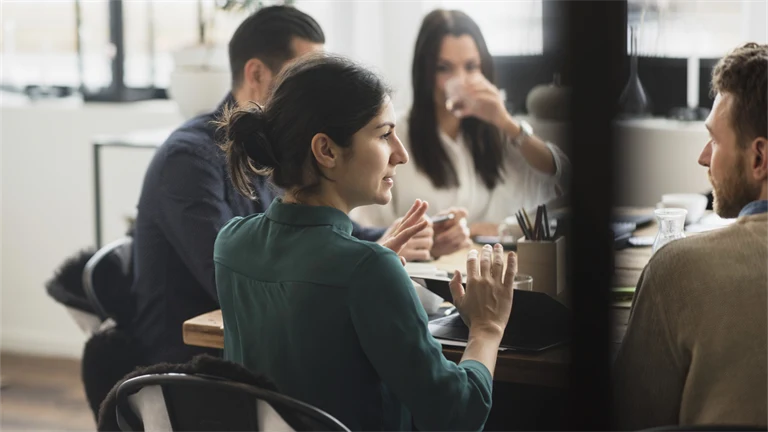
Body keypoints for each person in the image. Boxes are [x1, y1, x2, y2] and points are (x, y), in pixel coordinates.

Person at [214, 53, 518, 432]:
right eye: (384, 134)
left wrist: (371, 264)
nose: (401, 154)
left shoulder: (230, 244)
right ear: (326, 151)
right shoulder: (367, 272)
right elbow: (457, 415)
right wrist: (487, 328)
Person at [130, 6, 450, 364]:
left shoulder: (283, 148)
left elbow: (307, 238)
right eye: (303, 73)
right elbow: (234, 280)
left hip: (261, 350)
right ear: (256, 73)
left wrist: (396, 239)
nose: (321, 92)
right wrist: (373, 270)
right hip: (197, 365)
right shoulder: (187, 160)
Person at [613, 43, 768, 431]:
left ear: (759, 159)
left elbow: (626, 416)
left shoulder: (678, 270)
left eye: (715, 140)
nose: (703, 157)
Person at [352, 9, 570, 237]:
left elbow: (562, 176)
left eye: (471, 67)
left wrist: (506, 122)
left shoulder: (501, 134)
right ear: (424, 72)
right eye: (444, 68)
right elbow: (368, 229)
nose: (460, 80)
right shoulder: (396, 136)